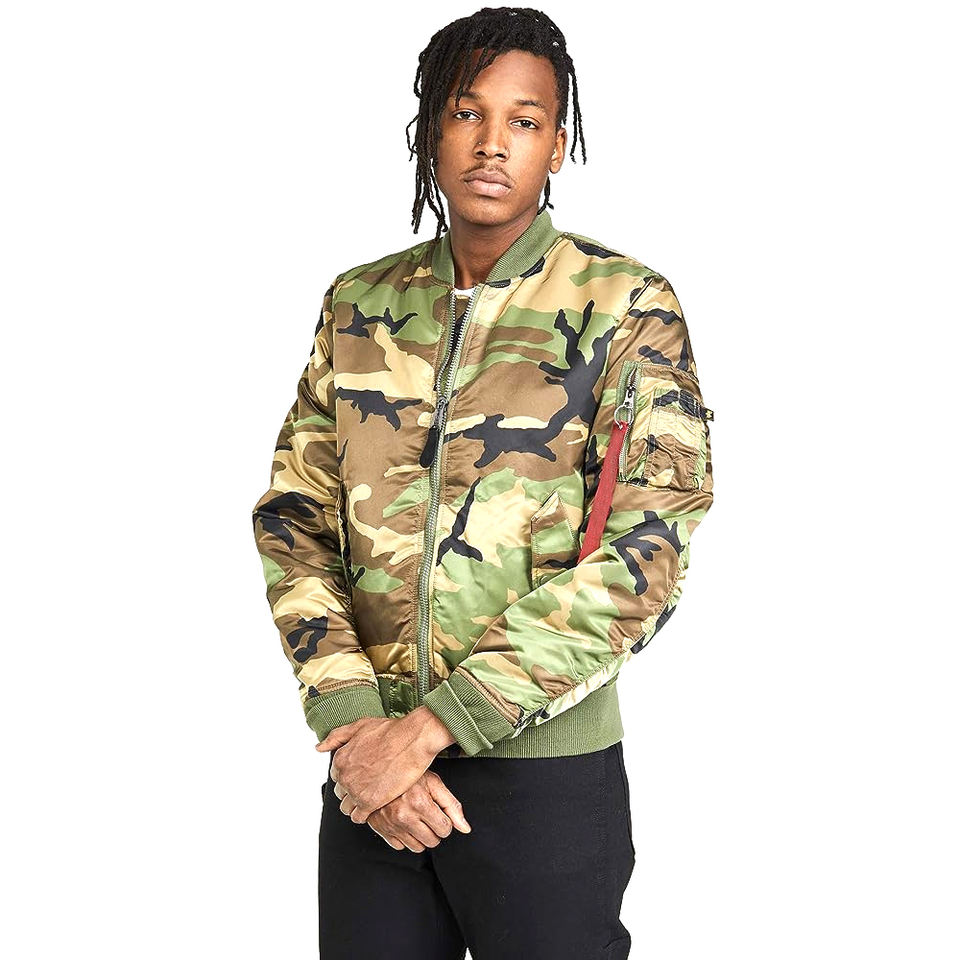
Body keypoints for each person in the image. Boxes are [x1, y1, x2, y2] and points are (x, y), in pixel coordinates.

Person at [251, 7, 715, 958]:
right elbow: (296, 520)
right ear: (431, 130)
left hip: (543, 780)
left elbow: (647, 553)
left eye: (525, 120)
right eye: (467, 112)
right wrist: (355, 726)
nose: (493, 143)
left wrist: (433, 728)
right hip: (371, 776)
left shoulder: (627, 305)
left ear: (557, 146)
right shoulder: (359, 303)